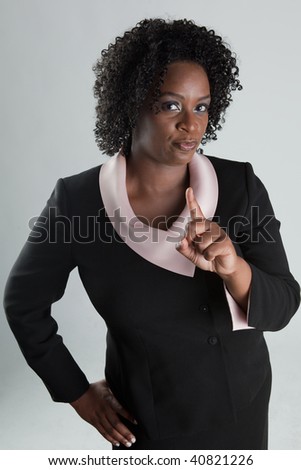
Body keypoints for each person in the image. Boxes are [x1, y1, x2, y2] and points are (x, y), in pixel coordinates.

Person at [3, 18, 300, 450]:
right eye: (170, 105)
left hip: (242, 409)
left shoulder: (240, 187)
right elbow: (23, 305)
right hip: (146, 421)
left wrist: (235, 269)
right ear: (131, 103)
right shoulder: (80, 201)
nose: (191, 125)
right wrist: (79, 395)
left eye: (202, 106)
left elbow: (284, 306)